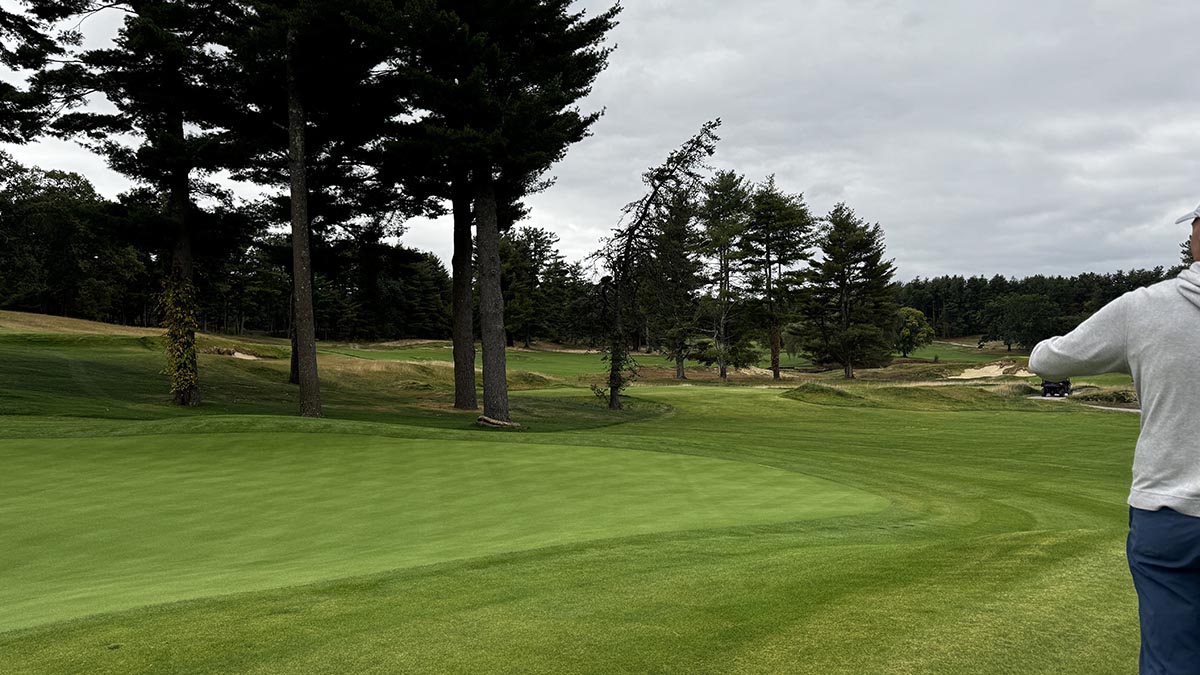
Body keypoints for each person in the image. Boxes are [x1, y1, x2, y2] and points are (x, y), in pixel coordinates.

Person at [1029, 204, 1200, 675]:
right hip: (1168, 515)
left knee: (1173, 660)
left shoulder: (1142, 308)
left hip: (1169, 515)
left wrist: (1136, 353)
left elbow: (1046, 361)